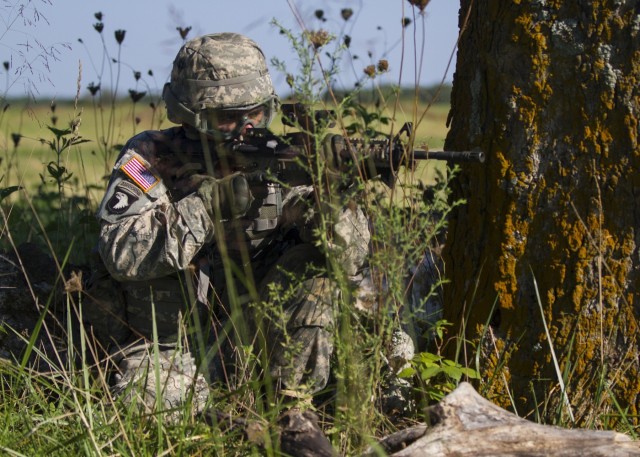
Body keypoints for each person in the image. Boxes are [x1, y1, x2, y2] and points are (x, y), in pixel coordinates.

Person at [82, 32, 371, 417]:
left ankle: (294, 411)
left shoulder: (277, 159)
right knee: (160, 409)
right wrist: (208, 204)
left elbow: (351, 260)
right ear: (190, 116)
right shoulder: (152, 155)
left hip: (248, 335)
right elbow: (121, 253)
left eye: (255, 114)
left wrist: (331, 200)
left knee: (316, 272)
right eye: (226, 119)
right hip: (165, 344)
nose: (246, 129)